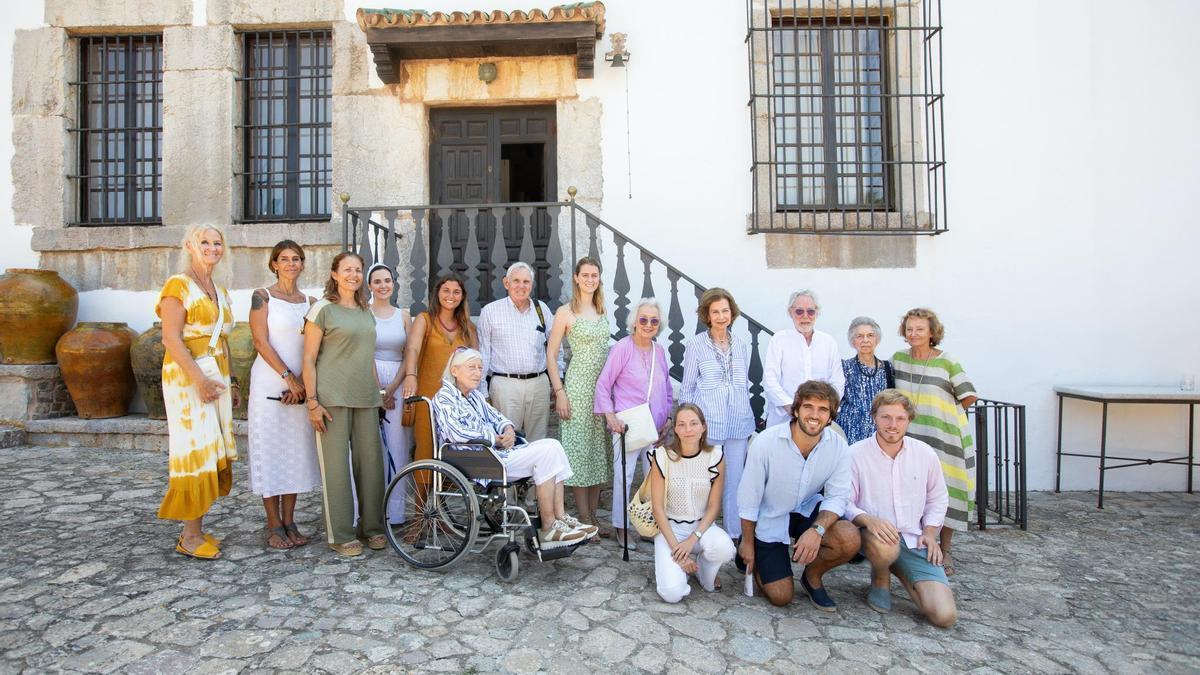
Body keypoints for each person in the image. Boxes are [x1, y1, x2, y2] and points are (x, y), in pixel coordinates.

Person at [433, 348, 598, 547]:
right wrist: (495, 439)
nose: (478, 373)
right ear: (455, 370)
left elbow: (497, 417)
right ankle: (548, 526)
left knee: (553, 445)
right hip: (477, 459)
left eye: (480, 368)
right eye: (472, 368)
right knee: (546, 452)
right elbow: (457, 434)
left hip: (494, 454)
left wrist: (508, 429)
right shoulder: (444, 398)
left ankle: (559, 517)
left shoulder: (474, 397)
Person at [737, 381, 860, 609]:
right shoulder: (765, 443)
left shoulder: (839, 447)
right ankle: (757, 557)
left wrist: (817, 530)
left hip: (806, 510)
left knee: (849, 537)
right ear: (796, 410)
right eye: (808, 407)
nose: (814, 415)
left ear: (831, 416)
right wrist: (747, 542)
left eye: (823, 410)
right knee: (781, 597)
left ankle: (811, 577)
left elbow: (838, 496)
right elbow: (749, 498)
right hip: (771, 516)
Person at [156, 225, 238, 560]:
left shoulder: (218, 288)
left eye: (217, 243)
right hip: (188, 377)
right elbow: (171, 338)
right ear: (190, 245)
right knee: (195, 449)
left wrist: (230, 383)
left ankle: (197, 528)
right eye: (204, 241)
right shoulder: (178, 284)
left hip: (215, 372)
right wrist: (199, 381)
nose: (212, 247)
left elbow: (223, 339)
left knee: (212, 446)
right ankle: (189, 537)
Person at [847, 389, 956, 627]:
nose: (892, 425)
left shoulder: (925, 453)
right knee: (886, 547)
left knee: (943, 616)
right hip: (874, 537)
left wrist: (929, 533)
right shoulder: (855, 454)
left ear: (909, 421)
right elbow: (845, 501)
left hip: (913, 538)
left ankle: (902, 569)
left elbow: (938, 498)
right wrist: (868, 520)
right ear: (874, 417)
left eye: (900, 418)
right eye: (885, 417)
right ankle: (881, 575)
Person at [301, 252, 386, 557]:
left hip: (365, 398)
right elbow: (308, 360)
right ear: (334, 274)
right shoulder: (322, 310)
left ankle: (372, 528)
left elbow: (368, 355)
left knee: (372, 468)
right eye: (347, 269)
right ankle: (340, 533)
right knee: (336, 470)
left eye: (358, 270)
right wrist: (312, 403)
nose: (353, 274)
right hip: (331, 399)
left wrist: (379, 392)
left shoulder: (366, 311)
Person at [892, 308, 977, 575]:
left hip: (943, 437)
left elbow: (968, 395)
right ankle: (915, 545)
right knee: (915, 490)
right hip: (912, 436)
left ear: (932, 332)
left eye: (920, 329)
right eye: (910, 329)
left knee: (947, 490)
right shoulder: (898, 360)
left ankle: (946, 547)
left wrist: (945, 414)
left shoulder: (946, 362)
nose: (914, 333)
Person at [247, 240, 321, 550]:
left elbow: (314, 348)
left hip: (300, 388)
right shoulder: (261, 297)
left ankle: (290, 520)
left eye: (296, 259)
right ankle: (272, 524)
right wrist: (288, 378)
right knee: (270, 450)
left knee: (294, 454)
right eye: (284, 259)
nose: (291, 264)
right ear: (274, 264)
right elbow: (261, 342)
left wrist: (302, 384)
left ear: (303, 264)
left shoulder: (311, 302)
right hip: (269, 384)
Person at [595, 298, 674, 549]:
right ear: (634, 322)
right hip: (627, 425)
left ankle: (648, 525)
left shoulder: (659, 351)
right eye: (643, 319)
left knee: (655, 479)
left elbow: (668, 388)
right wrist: (610, 417)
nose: (648, 324)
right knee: (624, 477)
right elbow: (603, 385)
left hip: (655, 428)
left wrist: (669, 419)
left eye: (654, 320)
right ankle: (621, 527)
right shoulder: (622, 348)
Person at [680, 288, 754, 542]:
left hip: (738, 422)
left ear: (732, 313)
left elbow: (743, 384)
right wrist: (688, 426)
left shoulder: (742, 345)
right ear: (707, 316)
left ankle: (733, 534)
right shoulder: (696, 345)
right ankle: (700, 534)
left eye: (725, 311)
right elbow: (688, 388)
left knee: (735, 481)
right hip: (708, 425)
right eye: (715, 312)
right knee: (704, 482)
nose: (721, 316)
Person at [546, 257, 612, 538]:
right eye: (585, 275)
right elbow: (551, 355)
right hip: (577, 386)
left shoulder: (603, 309)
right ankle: (584, 517)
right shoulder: (565, 312)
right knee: (579, 450)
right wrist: (559, 392)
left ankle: (594, 515)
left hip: (602, 389)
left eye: (594, 275)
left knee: (598, 450)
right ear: (576, 277)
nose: (590, 279)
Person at [650, 404, 737, 603]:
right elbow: (657, 508)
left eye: (693, 423)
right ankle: (680, 568)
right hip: (670, 529)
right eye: (681, 424)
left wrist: (692, 539)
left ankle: (703, 570)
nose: (688, 429)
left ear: (703, 427)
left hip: (702, 527)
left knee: (724, 548)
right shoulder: (662, 457)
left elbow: (715, 505)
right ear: (676, 430)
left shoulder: (716, 456)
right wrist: (677, 551)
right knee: (672, 594)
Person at [401, 273, 478, 475]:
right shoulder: (425, 320)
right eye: (446, 290)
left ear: (462, 296)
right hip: (429, 399)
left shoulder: (468, 328)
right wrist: (411, 375)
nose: (451, 296)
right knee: (426, 450)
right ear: (437, 294)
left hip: (458, 402)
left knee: (454, 454)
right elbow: (413, 349)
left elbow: (476, 362)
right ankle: (421, 506)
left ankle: (444, 503)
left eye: (456, 292)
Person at [477, 262, 563, 441]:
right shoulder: (490, 311)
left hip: (539, 384)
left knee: (538, 442)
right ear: (506, 283)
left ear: (531, 285)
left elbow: (556, 348)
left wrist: (558, 381)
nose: (521, 286)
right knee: (507, 441)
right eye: (516, 281)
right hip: (504, 386)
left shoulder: (542, 310)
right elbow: (483, 354)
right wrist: (483, 392)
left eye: (526, 281)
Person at [367, 263, 413, 524]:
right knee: (372, 446)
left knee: (397, 445)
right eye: (377, 281)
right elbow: (366, 352)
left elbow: (409, 352)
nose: (383, 285)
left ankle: (395, 512)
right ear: (370, 286)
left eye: (387, 280)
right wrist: (378, 390)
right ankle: (372, 508)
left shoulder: (403, 315)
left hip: (398, 379)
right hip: (369, 378)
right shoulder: (364, 313)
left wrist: (393, 388)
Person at [762, 290, 845, 428]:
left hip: (818, 421)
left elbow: (837, 381)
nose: (805, 316)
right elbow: (770, 380)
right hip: (784, 419)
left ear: (817, 313)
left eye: (810, 311)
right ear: (790, 312)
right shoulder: (779, 340)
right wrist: (792, 408)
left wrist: (823, 409)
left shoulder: (828, 342)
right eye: (799, 311)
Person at [839, 317, 895, 444]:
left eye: (870, 335)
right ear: (853, 341)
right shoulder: (844, 367)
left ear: (877, 339)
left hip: (878, 432)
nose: (865, 340)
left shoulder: (887, 368)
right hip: (849, 431)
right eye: (859, 336)